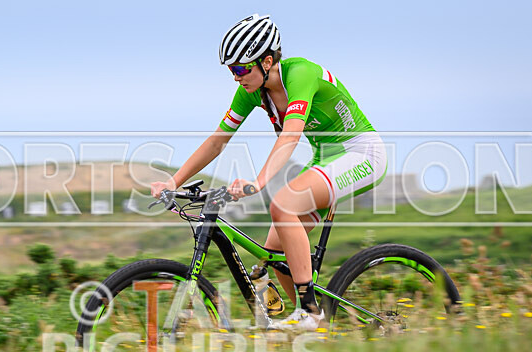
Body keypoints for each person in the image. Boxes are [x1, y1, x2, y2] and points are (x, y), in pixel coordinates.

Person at [150, 14, 388, 330]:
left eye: (240, 69)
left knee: (283, 205)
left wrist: (258, 182)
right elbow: (217, 141)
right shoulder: (252, 90)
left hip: (361, 153)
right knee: (275, 251)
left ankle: (309, 314)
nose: (236, 77)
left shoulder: (301, 73)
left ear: (266, 62)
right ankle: (316, 325)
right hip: (325, 157)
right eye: (231, 71)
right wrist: (173, 180)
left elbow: (291, 135)